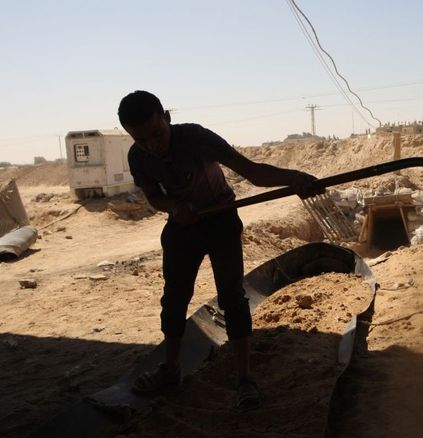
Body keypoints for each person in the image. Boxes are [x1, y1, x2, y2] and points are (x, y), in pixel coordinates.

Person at [118, 90, 320, 409]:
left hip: (221, 220)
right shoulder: (138, 157)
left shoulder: (197, 138)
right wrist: (173, 206)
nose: (152, 145)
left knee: (232, 298)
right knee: (174, 300)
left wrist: (294, 179)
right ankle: (171, 370)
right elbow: (153, 197)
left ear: (167, 117)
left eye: (156, 134)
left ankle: (244, 379)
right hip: (182, 227)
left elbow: (252, 172)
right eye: (141, 140)